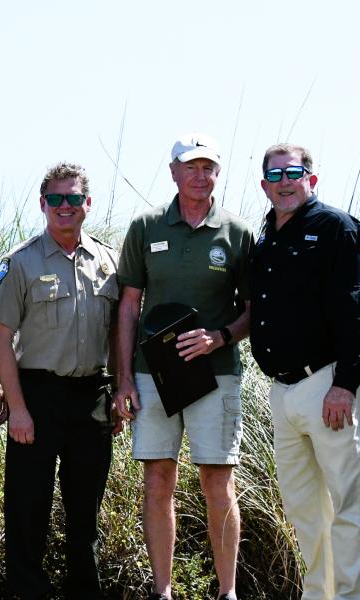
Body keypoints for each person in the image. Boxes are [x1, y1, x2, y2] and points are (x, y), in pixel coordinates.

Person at [114, 133, 255, 600]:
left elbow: (254, 308)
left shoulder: (237, 231)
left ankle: (227, 591)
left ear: (217, 173)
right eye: (189, 167)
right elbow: (129, 305)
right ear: (173, 172)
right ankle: (163, 591)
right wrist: (122, 380)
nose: (199, 175)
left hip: (216, 374)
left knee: (218, 479)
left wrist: (221, 337)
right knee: (158, 478)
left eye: (208, 167)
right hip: (151, 375)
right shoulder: (145, 227)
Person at [249, 144, 360, 599]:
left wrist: (346, 385)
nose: (285, 181)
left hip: (331, 383)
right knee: (305, 510)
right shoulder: (266, 236)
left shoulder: (336, 229)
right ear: (264, 184)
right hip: (284, 392)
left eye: (294, 172)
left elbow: (359, 313)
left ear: (312, 178)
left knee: (350, 504)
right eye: (276, 174)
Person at [0, 162, 120, 599]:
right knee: (28, 510)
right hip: (37, 397)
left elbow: (120, 333)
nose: (66, 207)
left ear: (87, 204)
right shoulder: (20, 262)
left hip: (91, 397)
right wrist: (18, 409)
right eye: (56, 199)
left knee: (85, 513)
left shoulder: (109, 262)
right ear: (43, 204)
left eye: (74, 198)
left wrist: (118, 391)